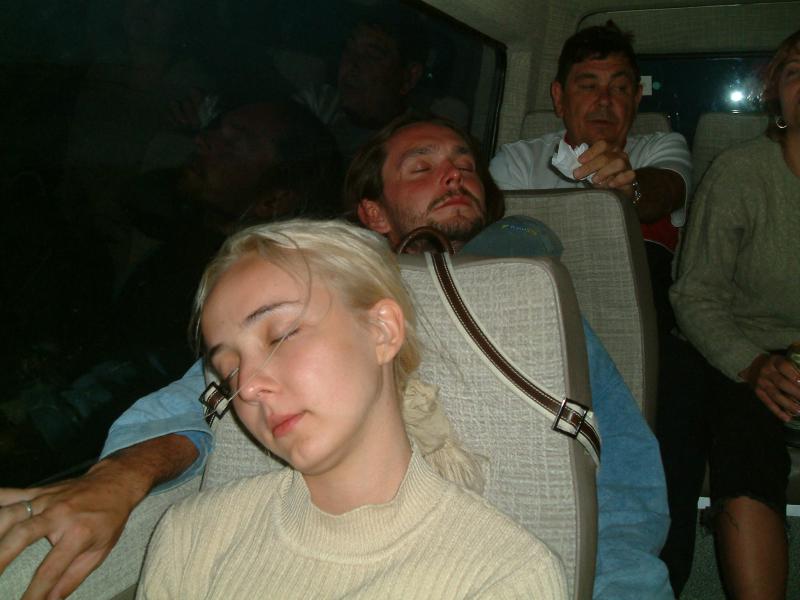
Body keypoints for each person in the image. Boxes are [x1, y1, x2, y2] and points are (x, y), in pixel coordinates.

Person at [0, 116, 670, 600]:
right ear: (373, 213)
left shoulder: (541, 306)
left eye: (465, 164)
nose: (454, 174)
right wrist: (121, 476)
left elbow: (621, 484)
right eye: (422, 166)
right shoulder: (323, 294)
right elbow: (197, 399)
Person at [135, 219, 567, 598]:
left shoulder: (503, 575)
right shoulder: (191, 536)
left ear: (381, 331)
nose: (247, 388)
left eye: (281, 336)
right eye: (229, 370)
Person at [670, 29, 800, 600]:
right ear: (777, 96)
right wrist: (752, 364)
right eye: (796, 72)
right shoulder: (740, 174)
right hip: (747, 355)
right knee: (745, 431)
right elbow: (694, 294)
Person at [488, 22, 691, 338]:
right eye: (588, 86)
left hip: (638, 332)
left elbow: (666, 190)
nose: (604, 100)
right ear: (559, 98)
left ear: (636, 98)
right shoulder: (518, 161)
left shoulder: (662, 147)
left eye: (619, 88)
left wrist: (631, 188)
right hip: (537, 323)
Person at [295, 4, 428, 161]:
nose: (352, 64)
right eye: (349, 48)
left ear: (409, 77)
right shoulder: (320, 103)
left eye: (372, 55)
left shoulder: (416, 147)